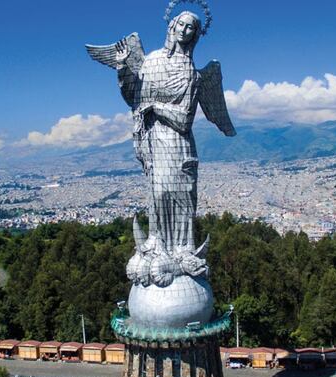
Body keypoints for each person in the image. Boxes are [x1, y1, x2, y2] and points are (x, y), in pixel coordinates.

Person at [87, 9, 234, 286]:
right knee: (158, 193)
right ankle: (159, 245)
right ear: (173, 26)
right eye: (182, 24)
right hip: (155, 141)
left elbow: (184, 119)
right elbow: (134, 97)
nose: (185, 31)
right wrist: (122, 69)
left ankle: (182, 250)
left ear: (196, 35)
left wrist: (155, 106)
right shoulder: (152, 60)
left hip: (178, 144)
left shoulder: (191, 73)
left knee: (180, 196)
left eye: (192, 27)